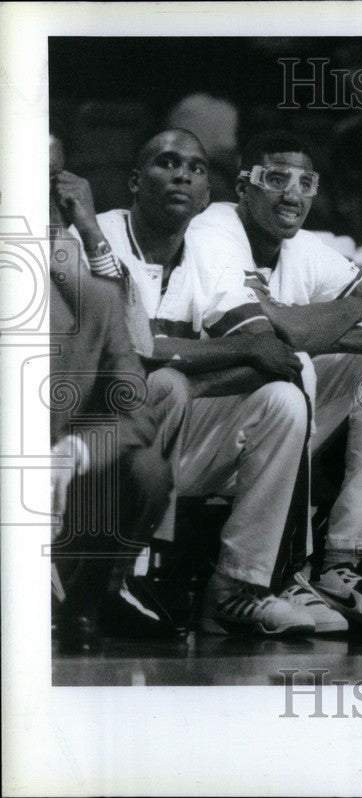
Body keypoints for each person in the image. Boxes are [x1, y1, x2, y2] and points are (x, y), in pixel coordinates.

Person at [58, 128, 319, 637]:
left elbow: (274, 357)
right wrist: (203, 359)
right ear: (135, 181)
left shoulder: (210, 252)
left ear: (206, 197)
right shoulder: (90, 232)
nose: (182, 174)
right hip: (86, 447)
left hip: (171, 442)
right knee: (161, 388)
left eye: (196, 169)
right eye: (166, 162)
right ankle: (123, 578)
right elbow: (123, 351)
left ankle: (237, 587)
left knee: (283, 399)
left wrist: (179, 368)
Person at [187, 130, 362, 634]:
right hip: (196, 427)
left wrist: (328, 333)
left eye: (306, 182)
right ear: (244, 185)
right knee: (294, 367)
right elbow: (284, 339)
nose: (293, 194)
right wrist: (351, 307)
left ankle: (347, 568)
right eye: (275, 178)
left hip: (265, 426)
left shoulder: (305, 248)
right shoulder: (213, 230)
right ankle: (260, 579)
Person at [48, 132, 186, 651]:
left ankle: (89, 602)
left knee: (147, 468)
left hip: (57, 446)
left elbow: (137, 378)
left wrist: (75, 452)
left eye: (46, 182)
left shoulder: (84, 282)